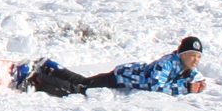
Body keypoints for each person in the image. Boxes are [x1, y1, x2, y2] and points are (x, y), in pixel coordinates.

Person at [19, 36, 207, 97]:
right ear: (182, 55)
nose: (195, 60)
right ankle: (38, 79)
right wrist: (186, 89)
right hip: (121, 77)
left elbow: (193, 77)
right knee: (81, 89)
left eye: (198, 57)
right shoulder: (167, 64)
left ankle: (50, 66)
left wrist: (197, 84)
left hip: (123, 75)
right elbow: (156, 86)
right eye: (192, 56)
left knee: (84, 82)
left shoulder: (186, 68)